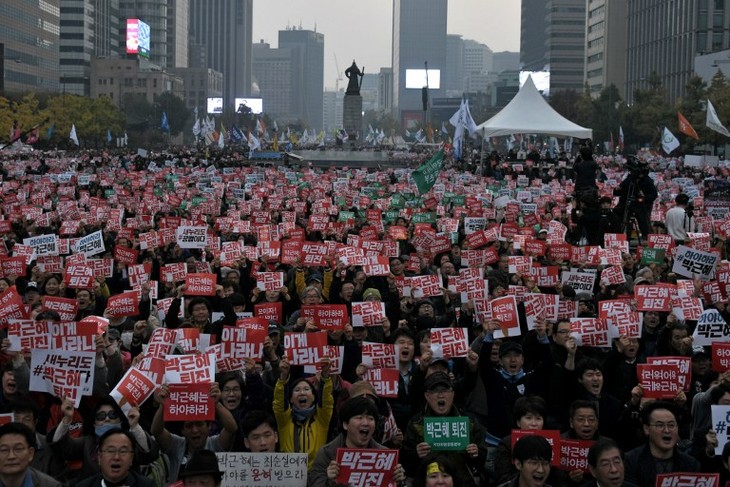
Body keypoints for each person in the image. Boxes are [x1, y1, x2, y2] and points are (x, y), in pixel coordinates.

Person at [402, 372, 486, 487]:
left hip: (464, 482)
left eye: (445, 390)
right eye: (435, 391)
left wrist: (476, 453)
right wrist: (416, 454)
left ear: (452, 394)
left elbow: (482, 458)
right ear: (427, 396)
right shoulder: (416, 423)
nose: (440, 395)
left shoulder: (469, 422)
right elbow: (406, 463)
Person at [308, 396, 405, 487]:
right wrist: (329, 482)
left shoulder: (385, 456)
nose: (365, 423)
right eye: (359, 417)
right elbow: (315, 483)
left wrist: (398, 481)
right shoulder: (327, 453)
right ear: (345, 424)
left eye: (370, 418)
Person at [273, 357, 333, 469]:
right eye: (297, 390)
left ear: (314, 397)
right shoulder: (285, 420)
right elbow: (279, 403)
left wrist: (325, 377)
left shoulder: (321, 418)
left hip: (316, 476)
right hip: (289, 474)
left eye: (306, 389)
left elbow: (327, 401)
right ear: (291, 399)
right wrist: (283, 377)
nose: (302, 392)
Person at [623, 401, 700, 486]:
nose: (667, 430)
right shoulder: (630, 461)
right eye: (660, 425)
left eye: (671, 425)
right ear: (646, 429)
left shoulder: (691, 464)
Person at [76, 429, 154, 487]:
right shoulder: (83, 486)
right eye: (110, 451)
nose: (116, 457)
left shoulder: (146, 485)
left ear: (131, 458)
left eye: (123, 451)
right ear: (99, 457)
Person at [0, 422, 61, 487]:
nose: (11, 456)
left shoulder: (51, 485)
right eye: (4, 450)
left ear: (30, 453)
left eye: (18, 449)